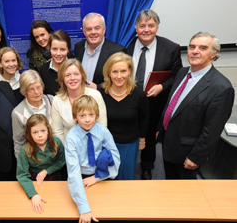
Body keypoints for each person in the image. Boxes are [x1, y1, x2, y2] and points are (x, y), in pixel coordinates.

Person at [157, 32, 234, 179]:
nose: (195, 51)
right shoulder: (182, 72)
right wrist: (161, 130)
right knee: (169, 186)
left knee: (187, 197)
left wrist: (196, 157)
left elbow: (212, 130)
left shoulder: (221, 88)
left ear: (214, 54)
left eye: (203, 48)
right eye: (192, 46)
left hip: (188, 154)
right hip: (170, 144)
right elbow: (172, 105)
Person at [127, 9, 183, 180]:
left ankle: (147, 167)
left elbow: (177, 76)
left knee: (149, 136)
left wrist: (162, 87)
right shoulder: (124, 47)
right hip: (128, 100)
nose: (146, 29)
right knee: (126, 133)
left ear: (157, 27)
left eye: (151, 25)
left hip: (154, 103)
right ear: (136, 27)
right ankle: (125, 164)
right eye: (142, 25)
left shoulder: (171, 48)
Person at [64, 95, 120, 223]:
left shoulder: (103, 132)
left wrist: (97, 178)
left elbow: (116, 158)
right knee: (87, 213)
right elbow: (73, 172)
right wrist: (84, 209)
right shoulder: (71, 138)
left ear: (97, 115)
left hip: (103, 176)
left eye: (91, 115)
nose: (87, 120)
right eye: (82, 116)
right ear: (75, 117)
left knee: (108, 212)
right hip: (81, 179)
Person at [99, 52, 149, 180]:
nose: (119, 76)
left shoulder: (138, 94)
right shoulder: (100, 93)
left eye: (123, 71)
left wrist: (142, 140)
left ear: (129, 71)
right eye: (114, 72)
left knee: (125, 177)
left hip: (130, 144)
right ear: (108, 73)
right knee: (107, 178)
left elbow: (144, 119)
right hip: (106, 144)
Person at [16, 114, 65, 214]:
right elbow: (22, 175)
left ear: (48, 130)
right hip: (34, 182)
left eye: (43, 131)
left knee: (56, 208)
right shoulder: (25, 150)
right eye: (35, 132)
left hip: (55, 179)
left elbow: (61, 161)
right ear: (29, 134)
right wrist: (33, 194)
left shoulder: (57, 143)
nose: (40, 135)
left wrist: (46, 171)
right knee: (39, 210)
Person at [51, 58, 107, 143]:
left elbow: (102, 126)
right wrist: (68, 152)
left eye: (76, 74)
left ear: (82, 76)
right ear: (62, 78)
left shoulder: (95, 95)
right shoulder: (57, 100)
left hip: (94, 147)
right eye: (68, 75)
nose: (72, 78)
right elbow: (57, 131)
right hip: (69, 149)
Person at [74, 12, 127, 89]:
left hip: (104, 98)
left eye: (97, 28)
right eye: (89, 29)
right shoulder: (79, 47)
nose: (93, 32)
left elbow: (122, 81)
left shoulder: (117, 51)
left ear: (104, 29)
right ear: (84, 32)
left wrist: (97, 88)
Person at [12, 70, 54, 158]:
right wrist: (22, 167)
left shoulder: (52, 101)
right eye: (31, 89)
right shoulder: (18, 112)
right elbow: (18, 143)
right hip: (34, 161)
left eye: (39, 87)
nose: (37, 92)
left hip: (55, 157)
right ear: (25, 91)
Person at [39, 29, 74, 95]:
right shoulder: (43, 70)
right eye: (54, 49)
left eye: (62, 49)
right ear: (50, 49)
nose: (58, 53)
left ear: (68, 50)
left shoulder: (75, 69)